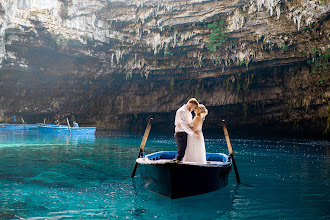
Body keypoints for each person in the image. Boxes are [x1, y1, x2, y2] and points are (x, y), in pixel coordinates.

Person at [173, 98, 200, 162]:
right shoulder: (181, 111)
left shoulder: (189, 113)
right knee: (181, 151)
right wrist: (193, 133)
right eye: (194, 107)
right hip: (180, 133)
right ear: (190, 104)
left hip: (185, 133)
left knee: (185, 151)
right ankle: (175, 164)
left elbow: (188, 125)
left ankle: (180, 163)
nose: (194, 109)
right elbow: (184, 126)